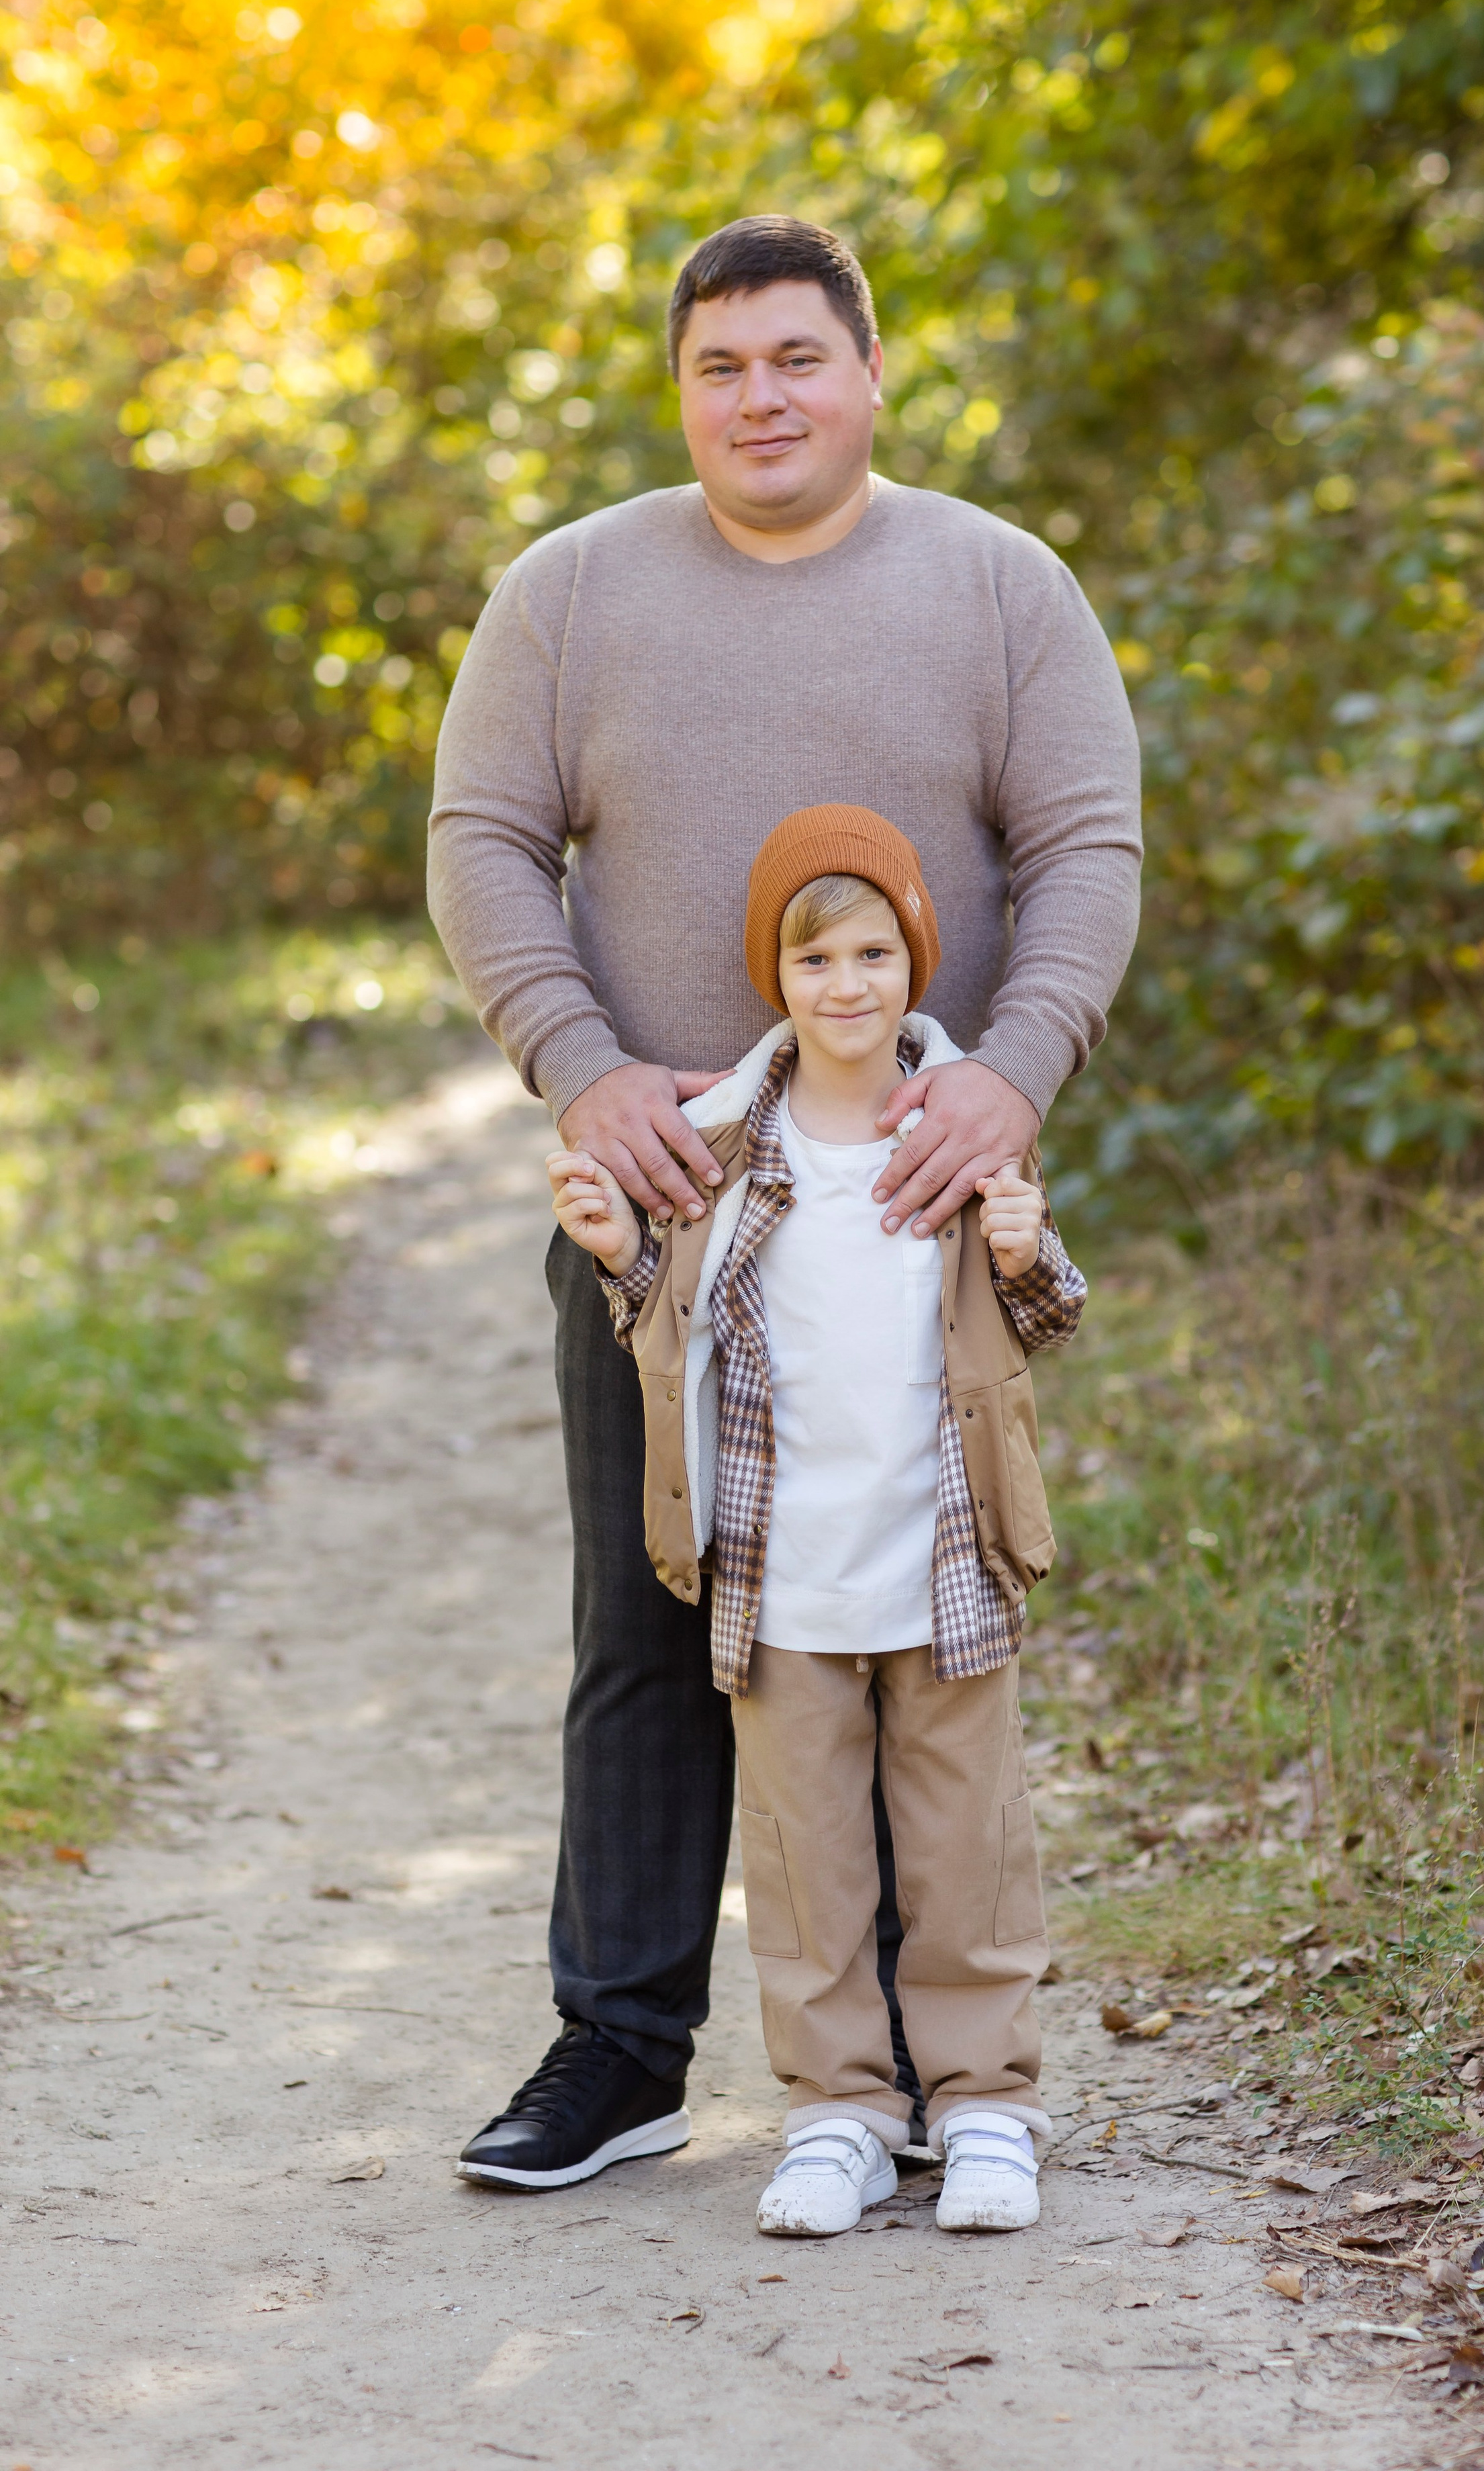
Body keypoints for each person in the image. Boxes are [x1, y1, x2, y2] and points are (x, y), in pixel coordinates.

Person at [429, 213, 1142, 2193]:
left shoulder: (1001, 589)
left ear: (870, 369)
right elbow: (480, 838)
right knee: (654, 1629)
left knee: (926, 1635)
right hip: (661, 1232)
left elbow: (1088, 848)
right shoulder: (571, 595)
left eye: (795, 359)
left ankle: (941, 2071)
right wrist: (584, 1067)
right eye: (721, 366)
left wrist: (1008, 1075)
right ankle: (622, 2051)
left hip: (915, 1229)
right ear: (684, 391)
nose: (760, 398)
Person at [551, 807, 1082, 2235]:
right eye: (813, 958)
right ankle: (836, 2111)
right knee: (803, 1863)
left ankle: (982, 2107)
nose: (846, 985)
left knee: (964, 1850)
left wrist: (1028, 1253)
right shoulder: (727, 1144)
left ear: (914, 956)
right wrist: (618, 1254)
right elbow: (669, 1329)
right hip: (780, 1576)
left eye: (872, 952)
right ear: (771, 979)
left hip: (942, 1562)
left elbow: (1044, 1316)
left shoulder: (957, 1131)